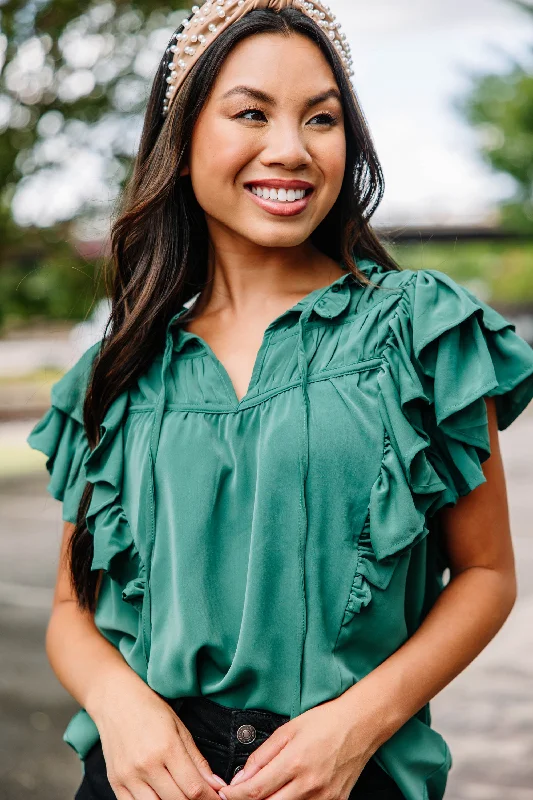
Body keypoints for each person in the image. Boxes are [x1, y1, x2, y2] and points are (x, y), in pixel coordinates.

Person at [26, 1, 533, 799]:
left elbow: (487, 574)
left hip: (348, 773)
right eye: (250, 113)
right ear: (182, 139)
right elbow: (69, 609)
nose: (291, 150)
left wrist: (354, 726)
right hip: (143, 776)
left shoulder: (417, 330)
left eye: (321, 119)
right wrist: (119, 707)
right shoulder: (115, 370)